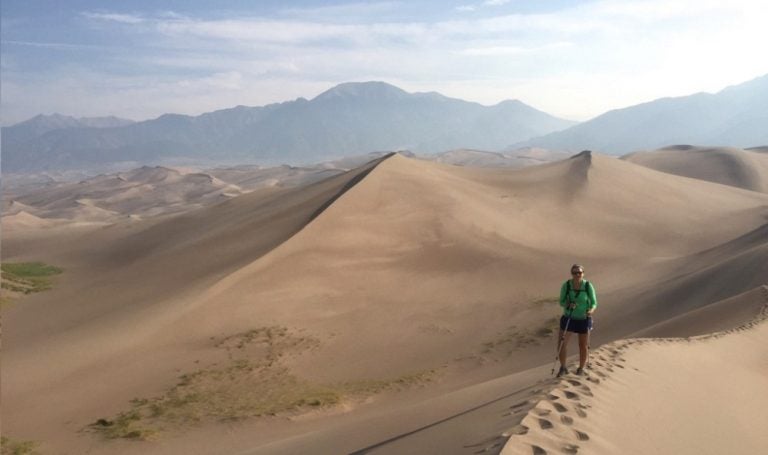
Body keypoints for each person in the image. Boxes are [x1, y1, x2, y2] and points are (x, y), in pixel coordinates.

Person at [556, 264, 597, 377]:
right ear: (571, 274)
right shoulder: (567, 285)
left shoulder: (588, 285)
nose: (577, 275)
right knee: (561, 344)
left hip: (583, 318)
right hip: (569, 317)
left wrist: (591, 310)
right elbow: (561, 301)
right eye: (575, 273)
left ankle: (581, 368)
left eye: (579, 272)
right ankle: (563, 367)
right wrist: (568, 304)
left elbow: (594, 302)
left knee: (583, 345)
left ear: (583, 273)